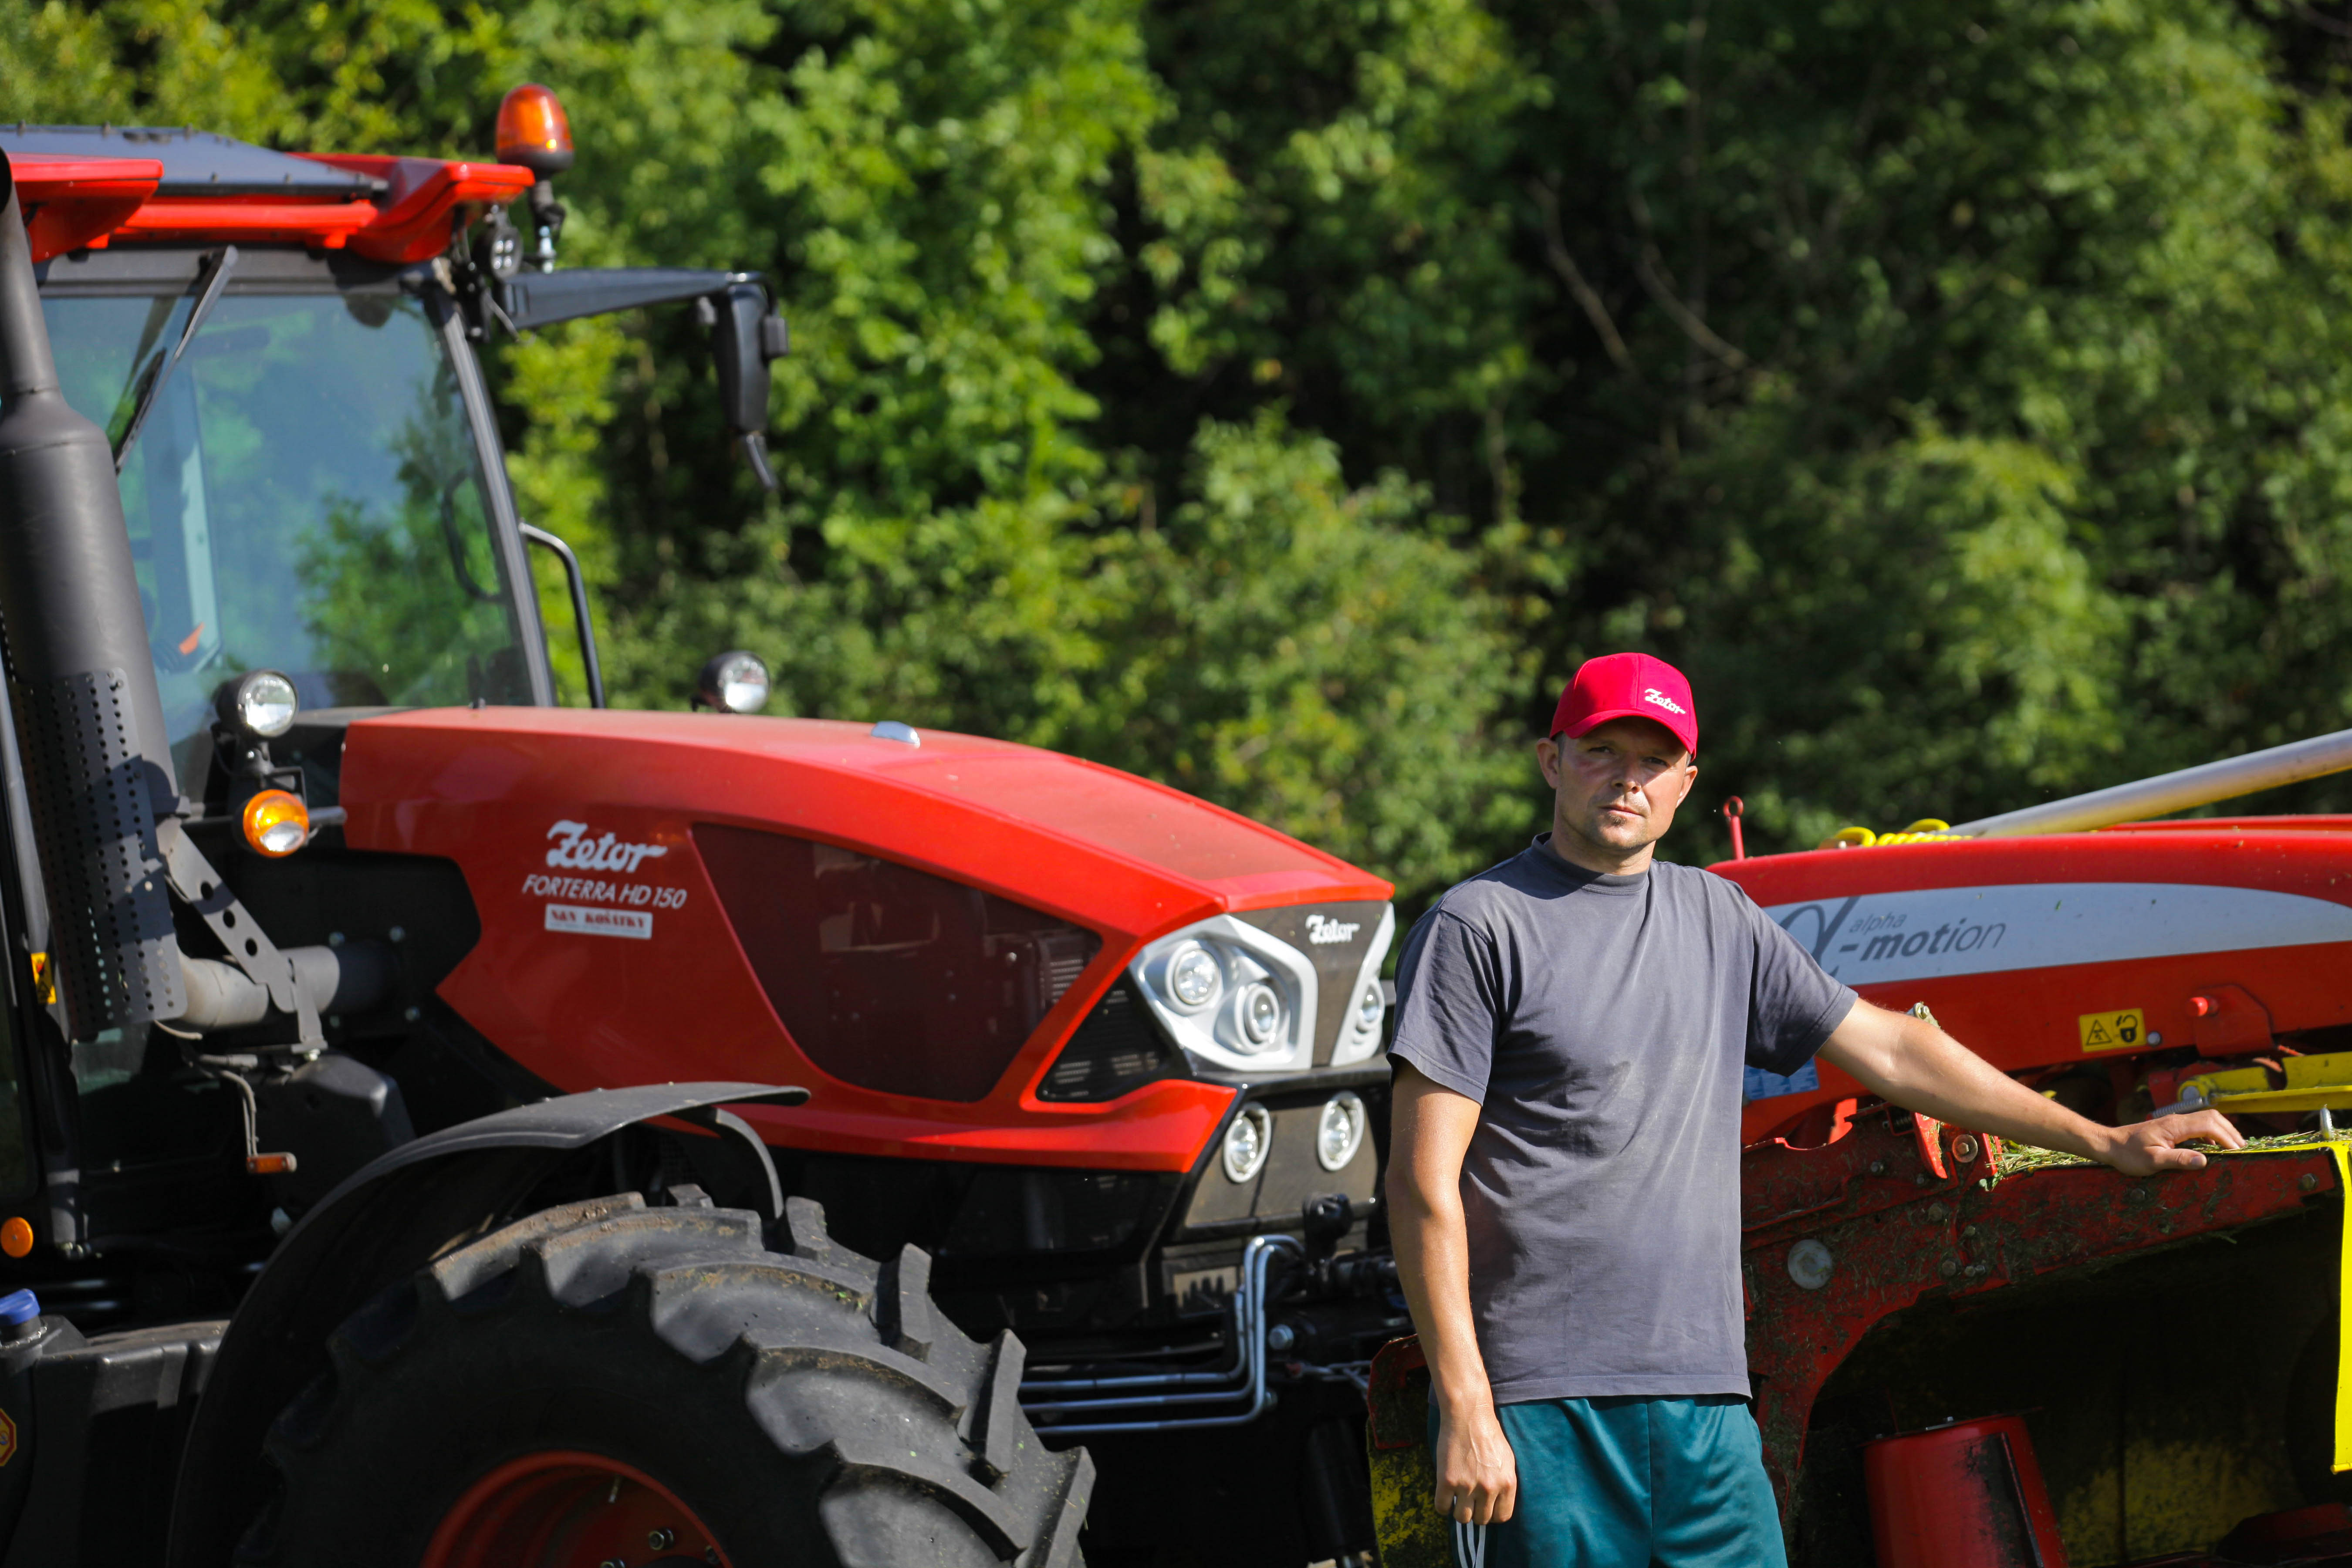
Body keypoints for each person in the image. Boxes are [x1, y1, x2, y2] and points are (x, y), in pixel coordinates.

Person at [1384, 651, 2242, 1568]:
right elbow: (1421, 1185)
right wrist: (1468, 1403)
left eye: (1652, 760)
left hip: (1706, 1406)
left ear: (1687, 783)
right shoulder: (1480, 927)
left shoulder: (1719, 918)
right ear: (1553, 762)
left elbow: (1892, 1049)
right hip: (1542, 1405)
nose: (1626, 780)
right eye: (1601, 753)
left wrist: (2103, 1138)